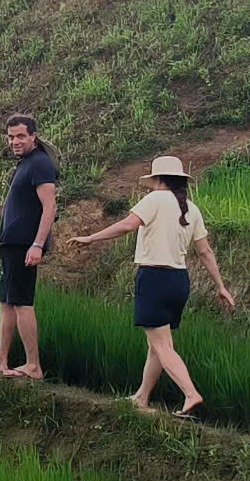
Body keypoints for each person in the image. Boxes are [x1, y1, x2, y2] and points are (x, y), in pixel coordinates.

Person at [69, 155, 233, 417]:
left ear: (157, 179)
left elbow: (127, 226)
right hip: (179, 281)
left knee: (162, 345)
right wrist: (221, 286)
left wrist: (91, 238)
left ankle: (191, 395)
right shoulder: (191, 209)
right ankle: (142, 397)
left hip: (154, 278)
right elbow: (205, 251)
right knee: (156, 344)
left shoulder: (154, 199)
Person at [0, 113, 58, 380]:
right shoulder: (25, 164)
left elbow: (50, 206)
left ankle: (33, 366)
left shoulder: (40, 163)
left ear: (33, 137)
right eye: (11, 137)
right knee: (6, 301)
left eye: (20, 136)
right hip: (11, 245)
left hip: (24, 245)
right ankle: (0, 358)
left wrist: (37, 244)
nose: (15, 141)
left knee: (22, 303)